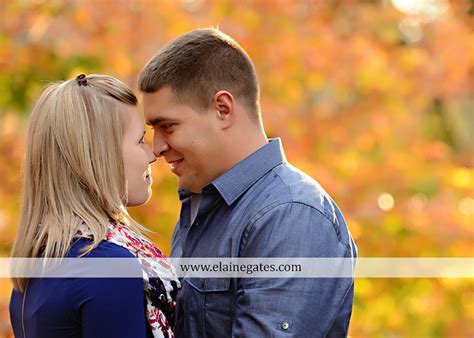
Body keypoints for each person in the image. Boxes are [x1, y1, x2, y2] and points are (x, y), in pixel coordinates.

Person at [138, 28, 357, 337]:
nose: (156, 146)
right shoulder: (201, 205)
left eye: (168, 126)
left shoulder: (290, 214)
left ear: (223, 109)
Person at [9, 74, 180, 338]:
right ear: (101, 156)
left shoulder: (36, 267)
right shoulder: (110, 267)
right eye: (139, 140)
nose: (151, 154)